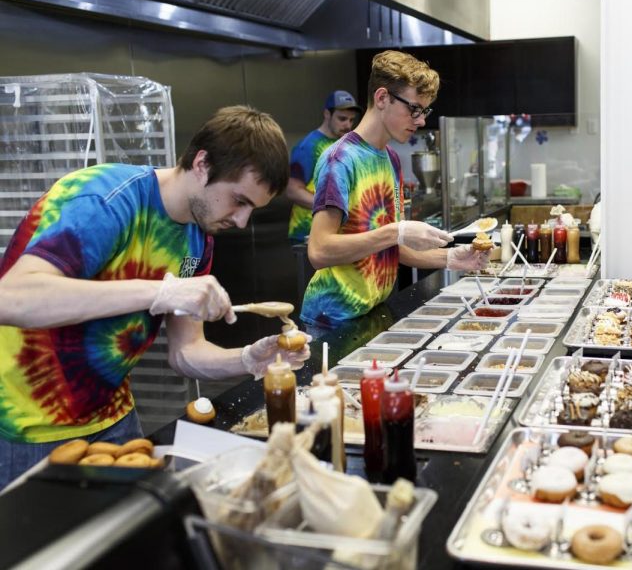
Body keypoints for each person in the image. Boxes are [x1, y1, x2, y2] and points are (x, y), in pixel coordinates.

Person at [0, 106, 311, 490]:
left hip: (115, 416)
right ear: (202, 163)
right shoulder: (104, 201)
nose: (242, 221)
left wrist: (248, 359)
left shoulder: (198, 237)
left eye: (252, 209)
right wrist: (161, 291)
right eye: (239, 200)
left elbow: (186, 352)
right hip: (28, 424)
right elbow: (11, 298)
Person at [300, 50, 488, 327]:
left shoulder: (391, 159)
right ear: (382, 98)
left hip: (373, 310)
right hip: (332, 319)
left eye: (425, 111)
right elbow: (319, 250)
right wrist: (396, 231)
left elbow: (390, 248)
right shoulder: (339, 159)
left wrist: (450, 258)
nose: (421, 120)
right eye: (414, 109)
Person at [286, 90, 362, 243]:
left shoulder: (345, 144)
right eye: (342, 119)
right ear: (327, 114)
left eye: (351, 120)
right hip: (307, 234)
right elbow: (292, 190)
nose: (348, 125)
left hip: (334, 234)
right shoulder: (308, 147)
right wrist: (334, 208)